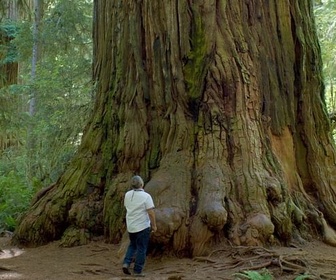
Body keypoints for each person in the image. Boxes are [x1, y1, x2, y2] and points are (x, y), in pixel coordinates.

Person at [122, 175, 157, 277]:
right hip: (142, 226)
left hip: (131, 226)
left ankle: (126, 263)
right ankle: (137, 271)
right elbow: (151, 212)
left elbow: (127, 207)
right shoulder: (146, 196)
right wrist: (154, 225)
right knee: (142, 248)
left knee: (132, 245)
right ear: (142, 184)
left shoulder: (127, 194)